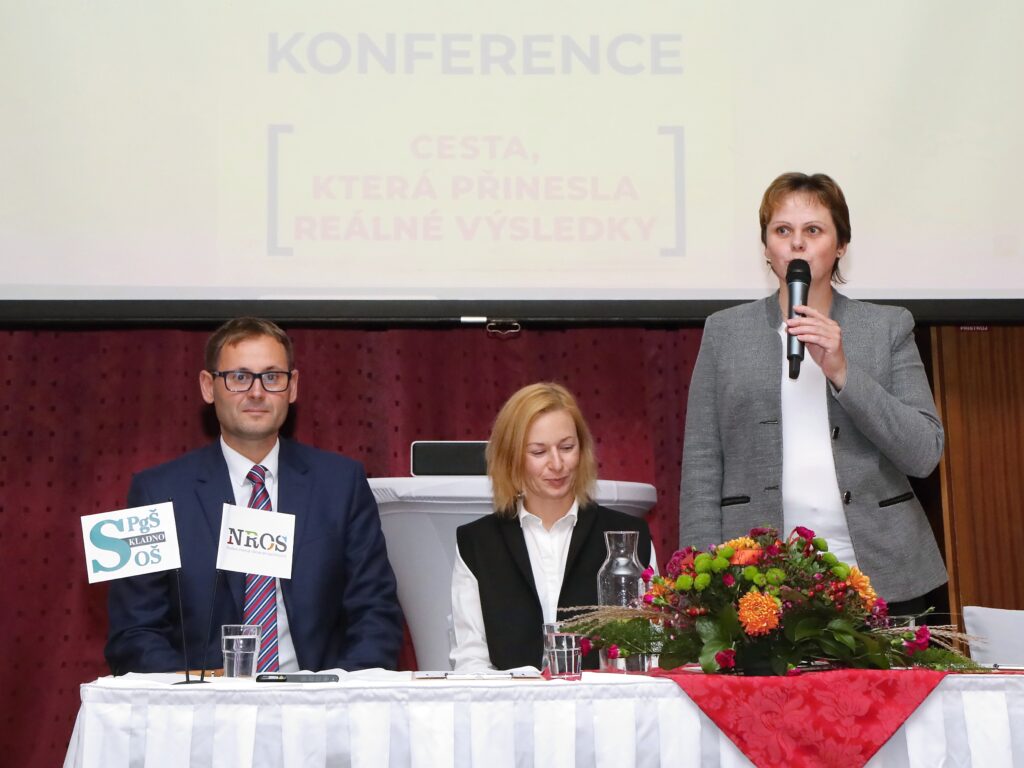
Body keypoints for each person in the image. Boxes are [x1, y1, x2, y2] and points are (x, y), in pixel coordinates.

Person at [679, 172, 946, 615]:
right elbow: (702, 464)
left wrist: (842, 371)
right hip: (758, 578)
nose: (797, 244)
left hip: (880, 572)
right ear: (767, 248)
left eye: (814, 230)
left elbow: (923, 453)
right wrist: (697, 578)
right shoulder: (725, 333)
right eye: (782, 231)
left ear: (841, 245)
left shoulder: (887, 327)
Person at [105, 317, 403, 674]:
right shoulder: (153, 492)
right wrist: (200, 687)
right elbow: (133, 632)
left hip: (318, 698)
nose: (257, 392)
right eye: (239, 377)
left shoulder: (343, 484)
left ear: (293, 387)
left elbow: (376, 613)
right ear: (208, 386)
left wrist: (334, 690)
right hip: (202, 700)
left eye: (272, 377)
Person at [451, 382, 655, 671]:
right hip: (510, 699)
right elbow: (471, 660)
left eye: (567, 447)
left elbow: (652, 649)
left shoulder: (629, 537)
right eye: (538, 452)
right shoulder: (477, 543)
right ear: (510, 457)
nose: (557, 464)